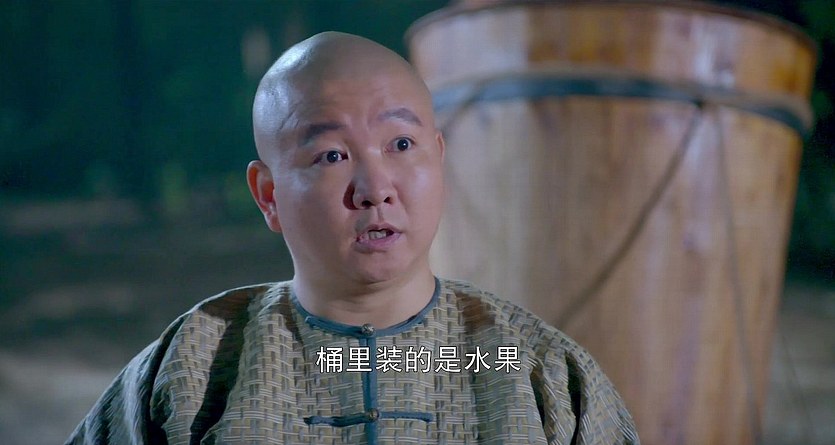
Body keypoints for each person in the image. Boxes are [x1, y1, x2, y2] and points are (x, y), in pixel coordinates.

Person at [66, 31, 639, 445]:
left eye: (401, 145)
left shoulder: (535, 368)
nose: (375, 188)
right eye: (331, 155)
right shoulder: (198, 361)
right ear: (268, 194)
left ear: (439, 157)